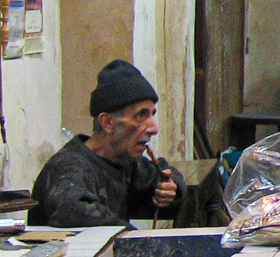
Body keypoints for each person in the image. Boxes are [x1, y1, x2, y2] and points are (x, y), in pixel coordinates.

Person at [31, 60, 183, 228]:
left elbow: (161, 174)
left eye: (152, 114)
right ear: (108, 122)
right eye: (141, 115)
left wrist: (170, 188)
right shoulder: (69, 169)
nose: (154, 128)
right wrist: (133, 237)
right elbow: (77, 214)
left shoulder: (124, 161)